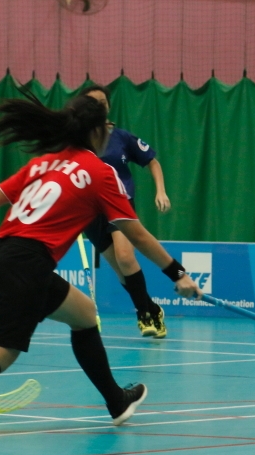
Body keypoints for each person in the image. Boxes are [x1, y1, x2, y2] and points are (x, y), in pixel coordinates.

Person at [0, 92, 201, 440]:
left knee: (84, 314)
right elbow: (136, 234)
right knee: (0, 353)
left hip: (6, 257)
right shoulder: (99, 171)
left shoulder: (44, 163)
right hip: (27, 266)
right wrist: (178, 274)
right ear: (97, 131)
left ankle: (115, 400)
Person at [80, 84, 171, 338]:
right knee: (121, 271)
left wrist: (160, 191)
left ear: (108, 107)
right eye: (92, 102)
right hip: (89, 212)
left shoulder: (121, 137)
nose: (98, 106)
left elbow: (152, 161)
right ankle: (150, 310)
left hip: (119, 204)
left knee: (126, 257)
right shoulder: (77, 140)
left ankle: (144, 315)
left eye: (102, 102)